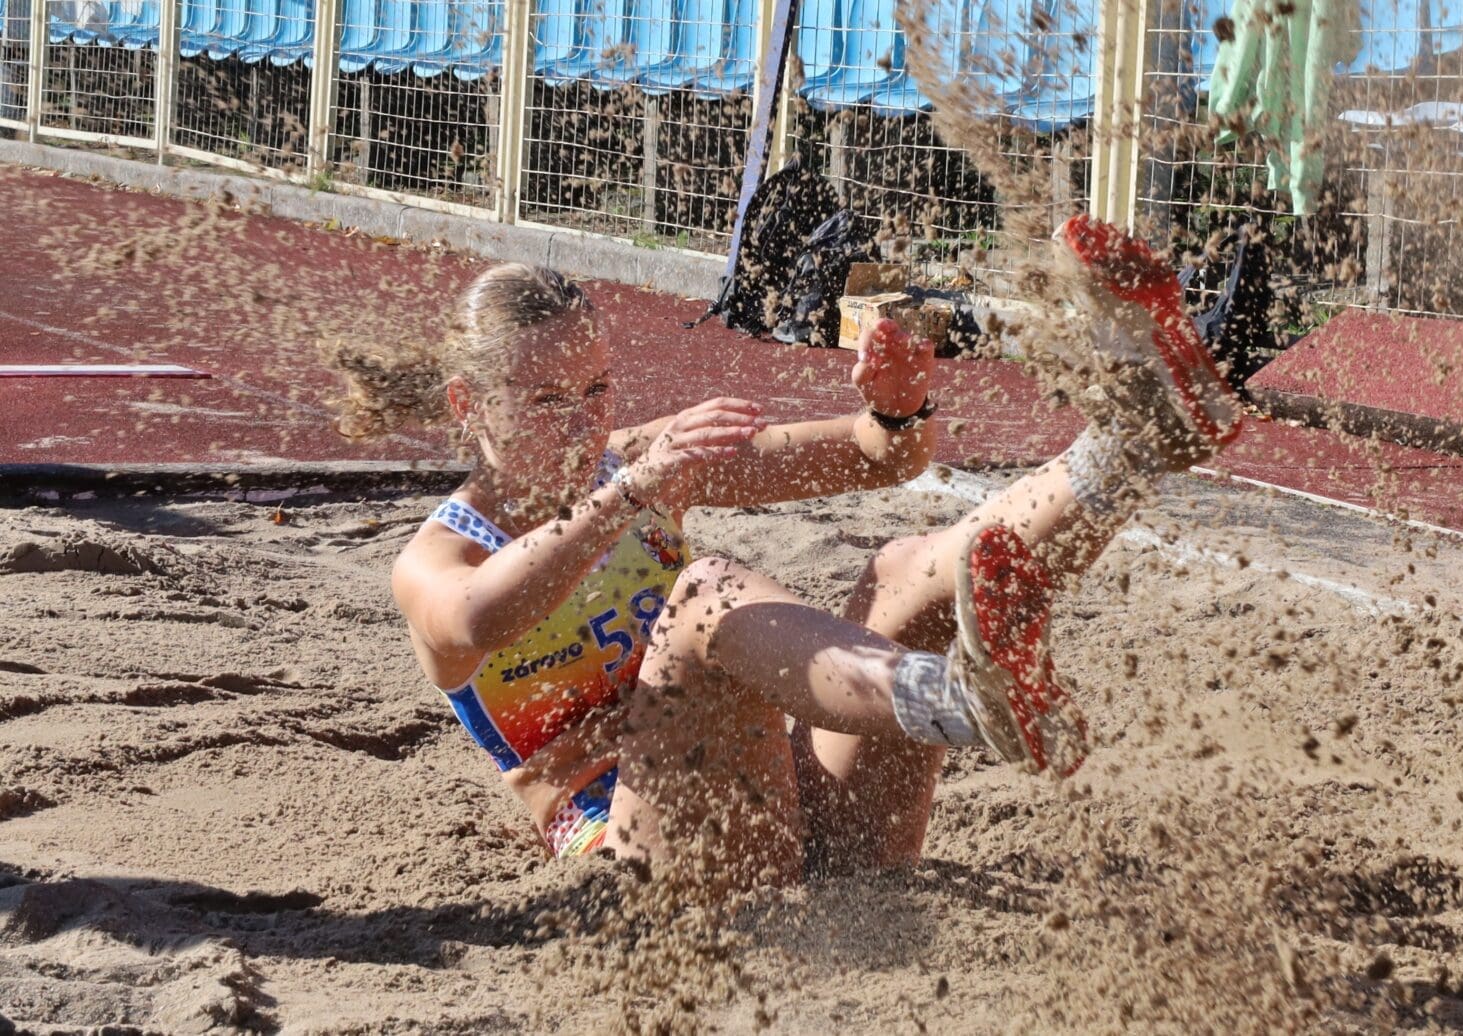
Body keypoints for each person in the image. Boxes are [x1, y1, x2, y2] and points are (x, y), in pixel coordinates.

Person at [327, 215, 1249, 894]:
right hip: (661, 871)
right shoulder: (440, 556)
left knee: (902, 573)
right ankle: (966, 699)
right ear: (467, 405)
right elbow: (485, 616)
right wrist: (638, 488)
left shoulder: (636, 464)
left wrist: (895, 407)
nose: (584, 425)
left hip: (810, 823)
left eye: (598, 389)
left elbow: (877, 459)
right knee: (702, 595)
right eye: (546, 402)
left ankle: (1132, 447)